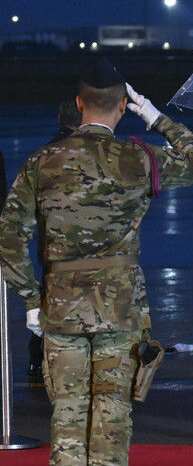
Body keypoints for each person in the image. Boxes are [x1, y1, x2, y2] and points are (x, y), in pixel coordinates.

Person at [0, 58, 193, 466]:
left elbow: (10, 237)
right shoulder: (139, 159)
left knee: (67, 414)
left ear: (80, 103)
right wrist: (155, 117)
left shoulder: (42, 161)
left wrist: (30, 299)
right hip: (120, 311)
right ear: (123, 106)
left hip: (60, 309)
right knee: (112, 414)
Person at [27, 98, 84, 380]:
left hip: (50, 247)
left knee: (50, 302)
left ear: (59, 120)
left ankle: (37, 359)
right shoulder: (90, 154)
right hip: (85, 247)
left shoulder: (42, 155)